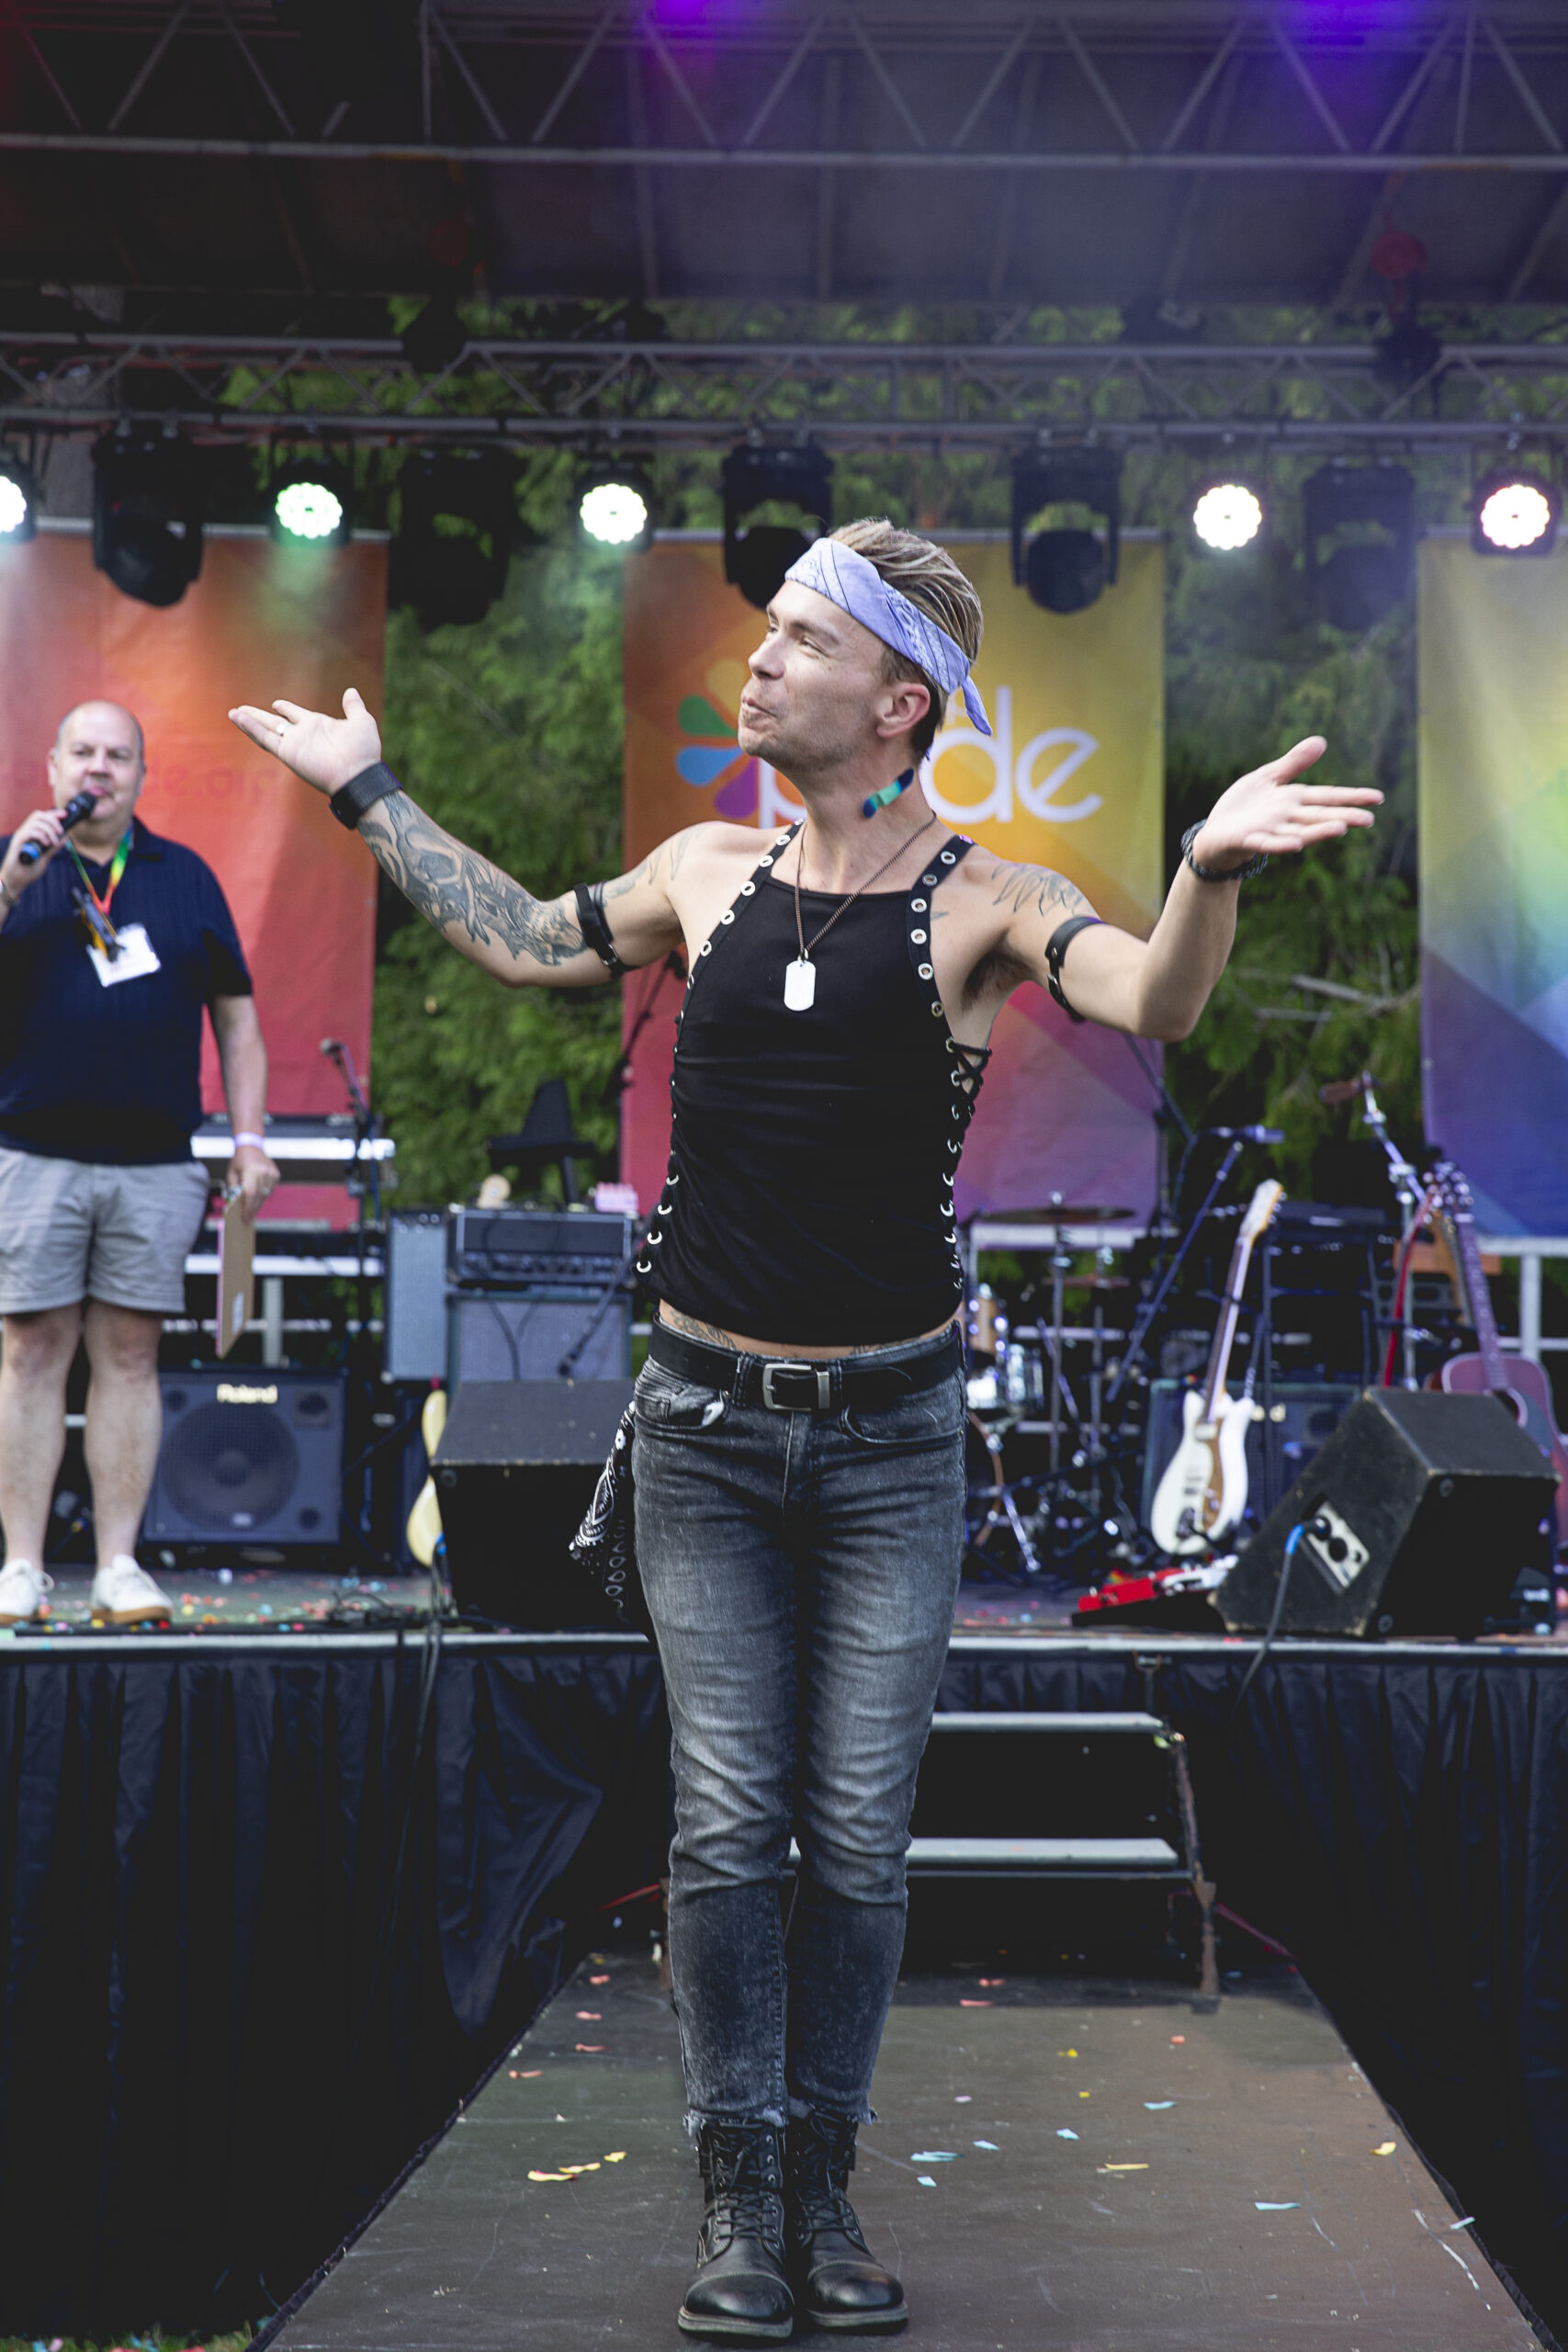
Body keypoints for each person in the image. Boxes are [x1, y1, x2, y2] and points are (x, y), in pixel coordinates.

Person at [230, 518, 1379, 2342]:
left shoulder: (987, 899)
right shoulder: (704, 869)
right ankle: (740, 2193)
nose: (757, 663)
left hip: (891, 1446)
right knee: (723, 1826)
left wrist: (1202, 871)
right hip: (700, 1429)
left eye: (798, 641)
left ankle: (822, 2178)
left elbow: (1156, 996)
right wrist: (368, 790)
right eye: (761, 634)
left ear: (897, 701)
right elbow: (525, 937)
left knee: (850, 1835)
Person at [0, 700, 279, 1629]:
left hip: (155, 1162)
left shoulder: (183, 876)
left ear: (141, 776)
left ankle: (118, 1565)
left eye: (118, 755)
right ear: (51, 767)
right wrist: (9, 885)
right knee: (29, 1351)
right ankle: (21, 1567)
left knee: (130, 1353)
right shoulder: (16, 863)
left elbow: (236, 1019)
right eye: (82, 751)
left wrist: (248, 1137)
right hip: (31, 1153)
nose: (99, 768)